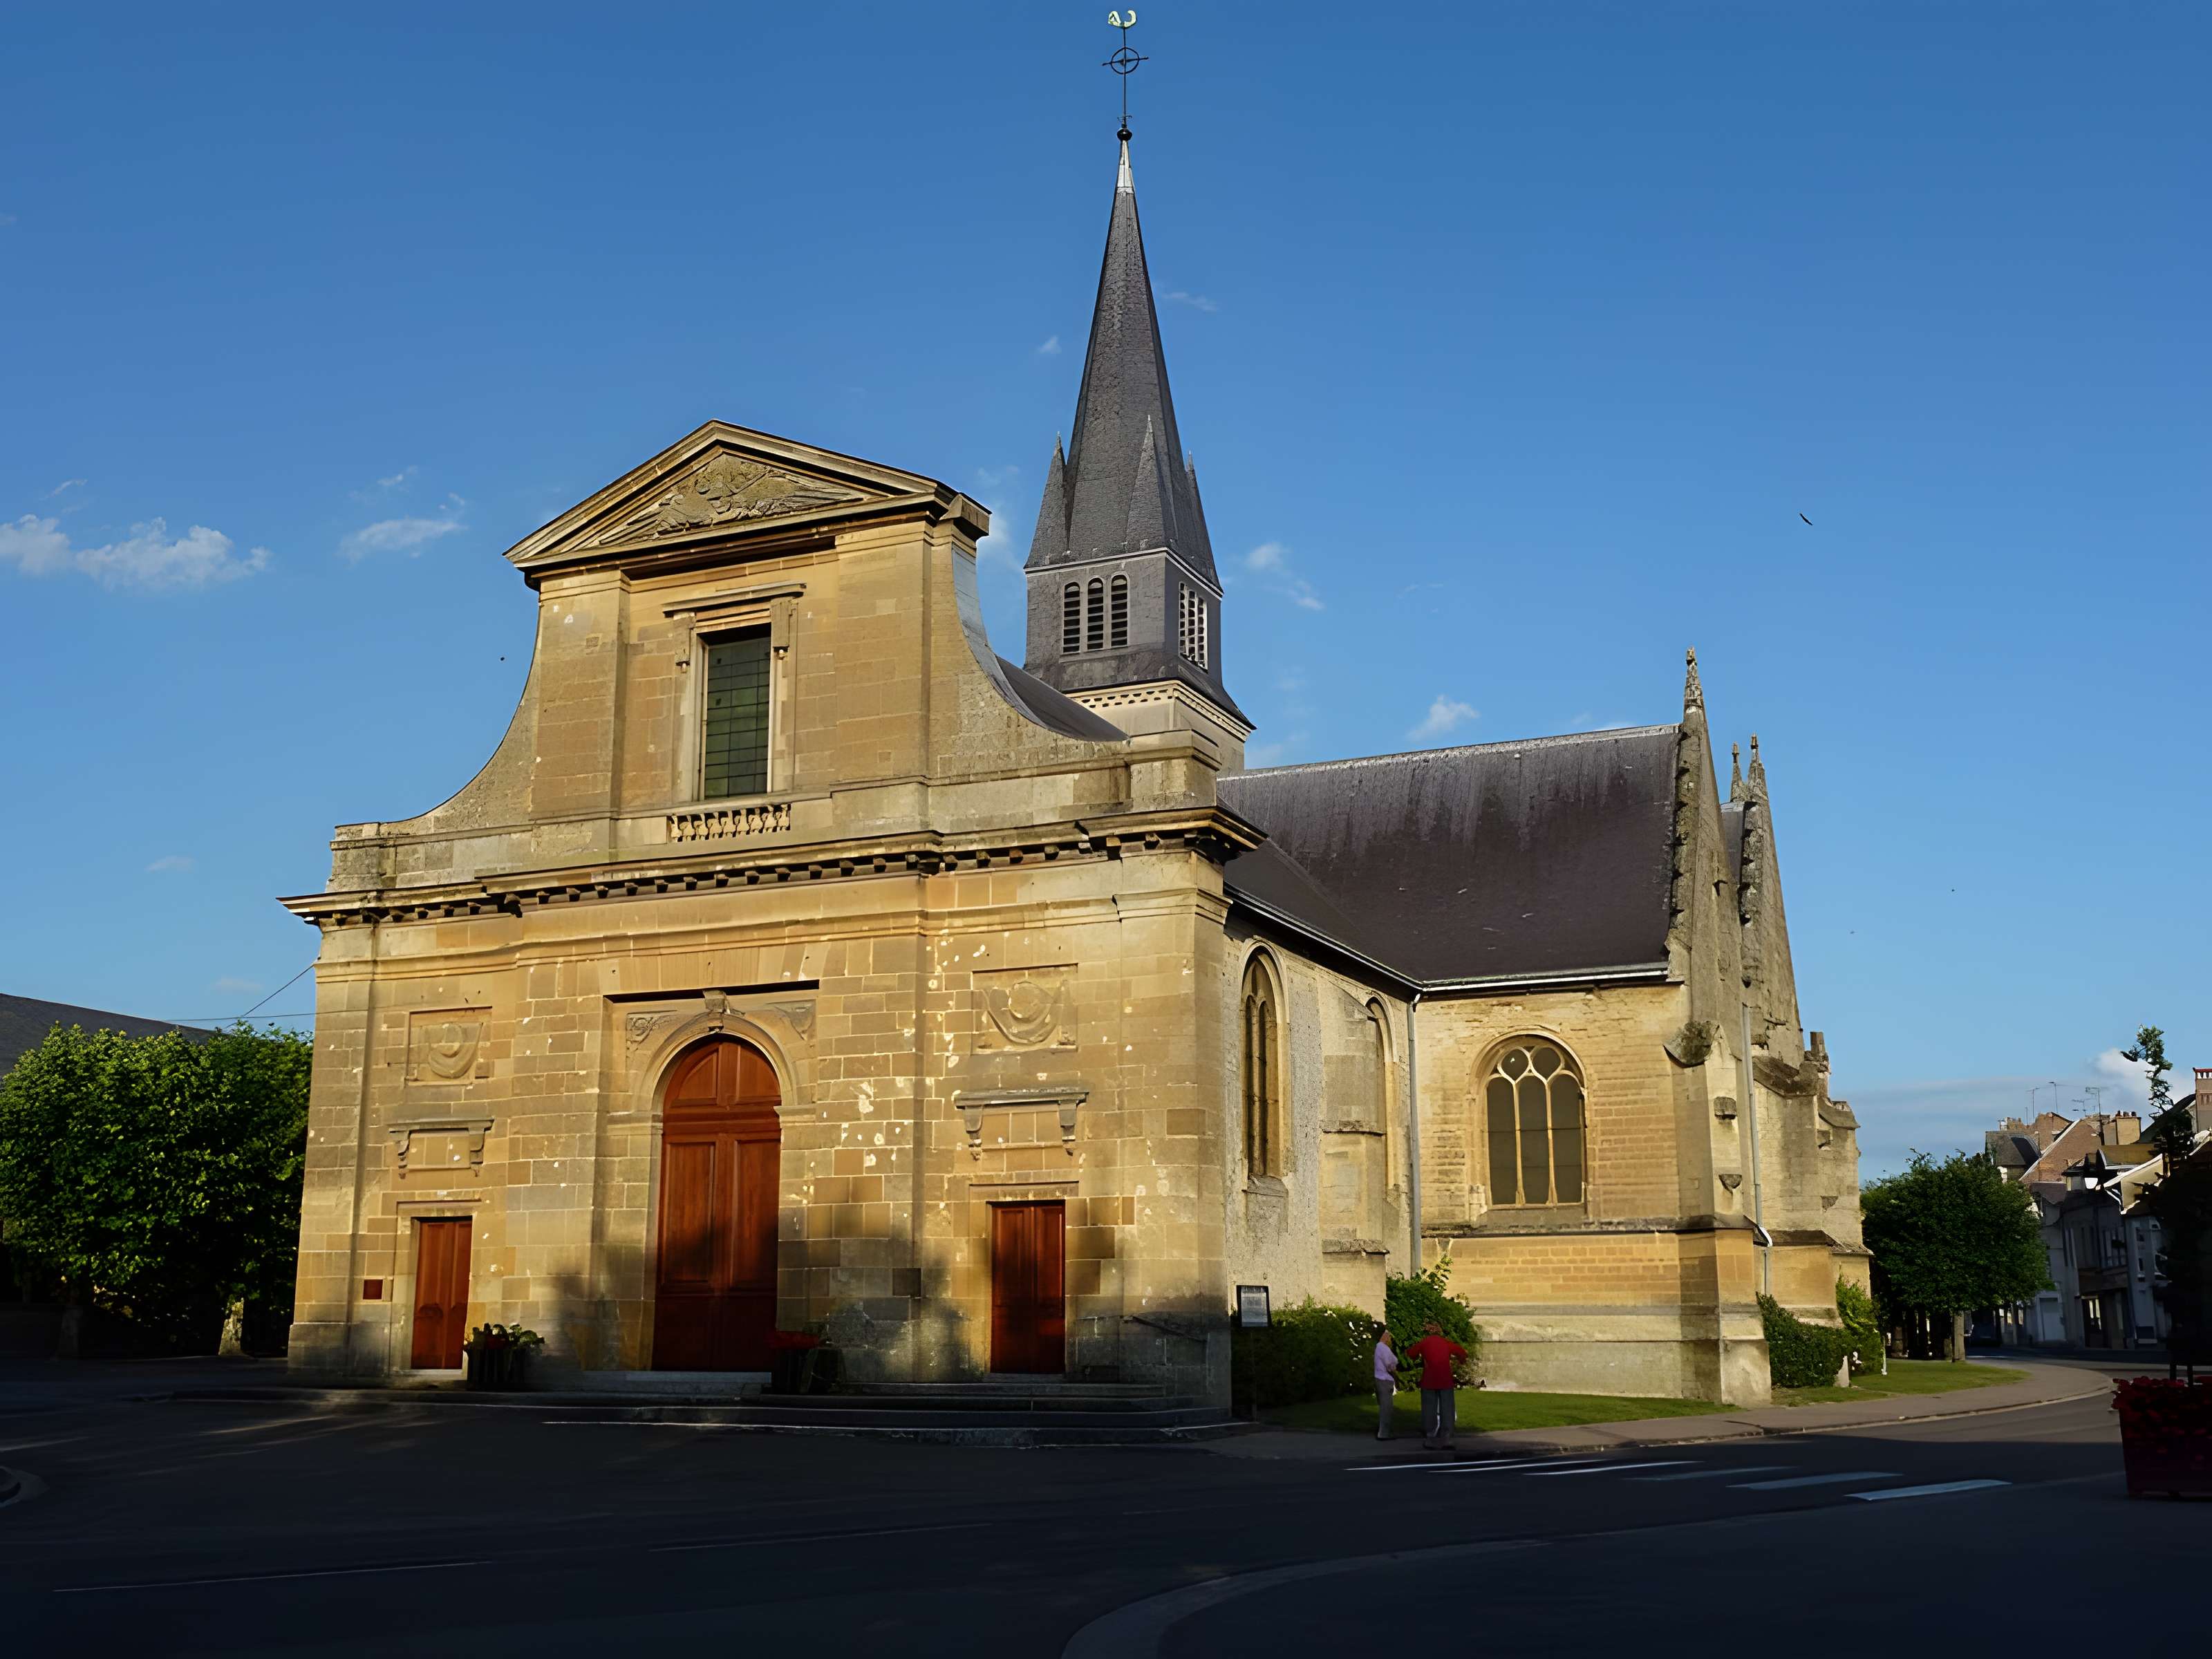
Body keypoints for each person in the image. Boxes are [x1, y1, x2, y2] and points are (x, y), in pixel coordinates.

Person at [1402, 1318, 1468, 1450]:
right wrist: (1461, 1362)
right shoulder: (1446, 1343)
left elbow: (1410, 1353)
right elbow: (1462, 1352)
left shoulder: (1424, 1343)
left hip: (1429, 1380)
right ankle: (1447, 1437)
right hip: (1445, 1380)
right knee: (1447, 1409)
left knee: (1429, 1409)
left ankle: (1430, 1437)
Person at [1372, 1327, 1400, 1441]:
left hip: (1381, 1379)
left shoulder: (1380, 1348)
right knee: (1386, 1408)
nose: (1390, 1339)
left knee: (1386, 1407)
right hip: (1384, 1379)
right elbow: (1389, 1364)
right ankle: (1383, 1434)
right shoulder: (1383, 1348)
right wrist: (1396, 1374)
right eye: (1388, 1336)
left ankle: (1384, 1432)